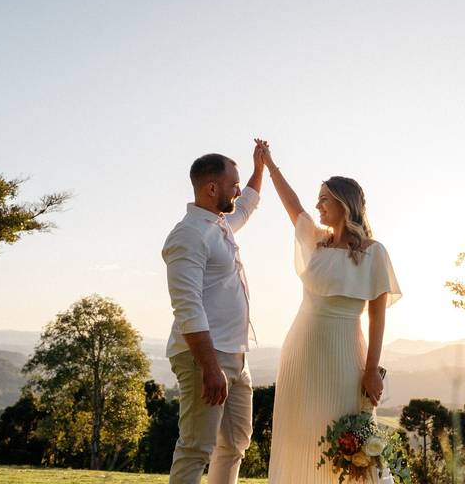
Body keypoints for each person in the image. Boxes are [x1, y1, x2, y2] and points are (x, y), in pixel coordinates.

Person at [259, 142, 401, 483]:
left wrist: (371, 371)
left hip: (345, 354)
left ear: (343, 203)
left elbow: (377, 317)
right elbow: (292, 206)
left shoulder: (374, 253)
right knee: (299, 436)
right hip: (301, 351)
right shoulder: (317, 243)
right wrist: (269, 165)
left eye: (324, 198)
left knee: (346, 441)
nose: (318, 205)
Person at [163, 142, 265, 484]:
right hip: (204, 357)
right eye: (232, 184)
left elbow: (247, 205)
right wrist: (209, 366)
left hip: (237, 354)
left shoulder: (219, 225)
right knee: (196, 448)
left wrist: (259, 167)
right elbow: (187, 306)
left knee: (235, 443)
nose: (237, 190)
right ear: (211, 188)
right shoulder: (188, 235)